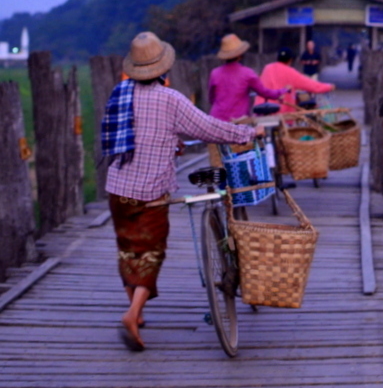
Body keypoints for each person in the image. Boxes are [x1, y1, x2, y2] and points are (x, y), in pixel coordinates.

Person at [102, 31, 263, 352]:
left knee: (128, 247)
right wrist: (246, 131)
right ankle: (132, 314)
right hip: (149, 191)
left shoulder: (120, 91)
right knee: (151, 250)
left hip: (117, 187)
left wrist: (169, 142)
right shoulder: (170, 98)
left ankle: (137, 308)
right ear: (163, 67)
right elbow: (209, 128)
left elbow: (129, 134)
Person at [209, 34, 288, 122]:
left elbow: (212, 99)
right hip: (238, 121)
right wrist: (282, 91)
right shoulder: (247, 73)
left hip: (216, 120)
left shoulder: (215, 73)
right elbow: (264, 92)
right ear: (240, 55)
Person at [255, 47, 335, 113]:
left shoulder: (267, 68)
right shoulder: (291, 72)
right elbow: (312, 86)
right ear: (291, 60)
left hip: (260, 109)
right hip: (280, 113)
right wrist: (328, 87)